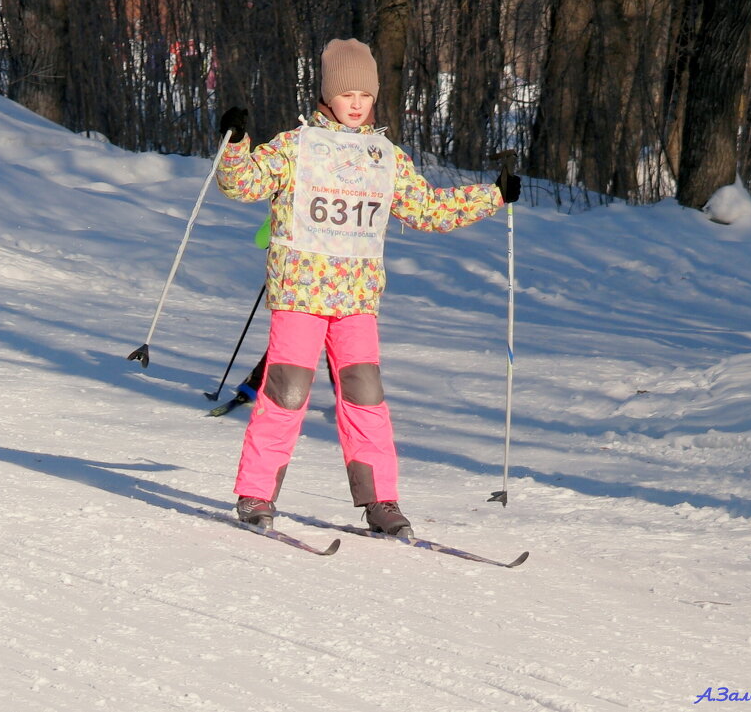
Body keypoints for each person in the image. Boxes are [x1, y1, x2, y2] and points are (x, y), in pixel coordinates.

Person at [214, 38, 521, 535]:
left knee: (366, 399)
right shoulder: (297, 146)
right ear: (327, 95)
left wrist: (493, 196)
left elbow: (425, 209)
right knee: (287, 393)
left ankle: (381, 500)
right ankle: (256, 494)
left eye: (365, 95)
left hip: (357, 300)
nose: (357, 104)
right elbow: (241, 184)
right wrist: (234, 146)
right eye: (347, 93)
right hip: (301, 295)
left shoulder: (387, 157)